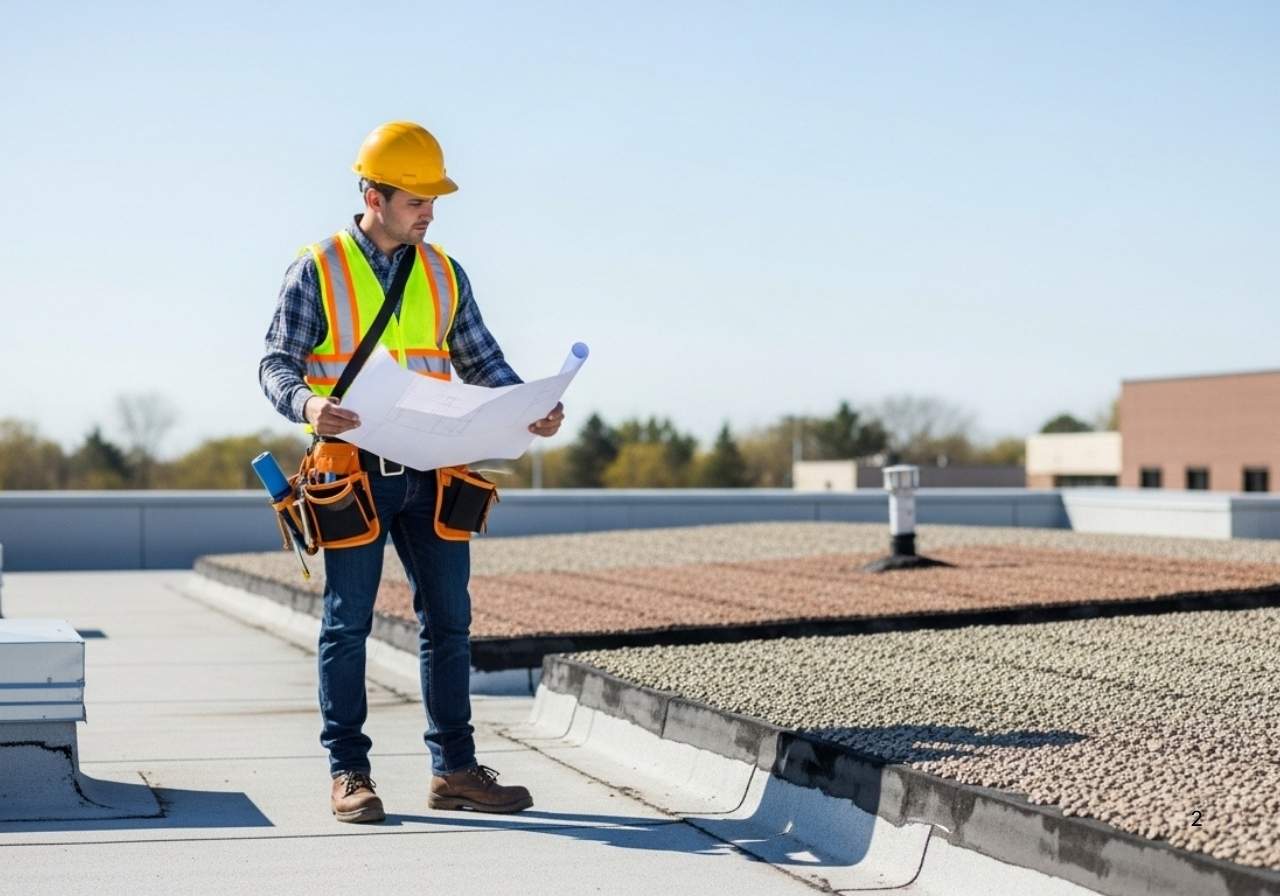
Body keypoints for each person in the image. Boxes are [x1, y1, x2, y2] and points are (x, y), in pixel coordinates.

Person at [259, 121, 564, 824]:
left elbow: (484, 364)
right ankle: (349, 773)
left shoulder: (444, 272)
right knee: (347, 623)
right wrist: (308, 404)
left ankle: (455, 770)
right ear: (373, 194)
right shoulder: (319, 266)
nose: (428, 211)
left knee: (450, 622)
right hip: (350, 472)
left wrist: (532, 409)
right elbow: (276, 361)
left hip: (434, 473)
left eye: (433, 200)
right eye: (415, 199)